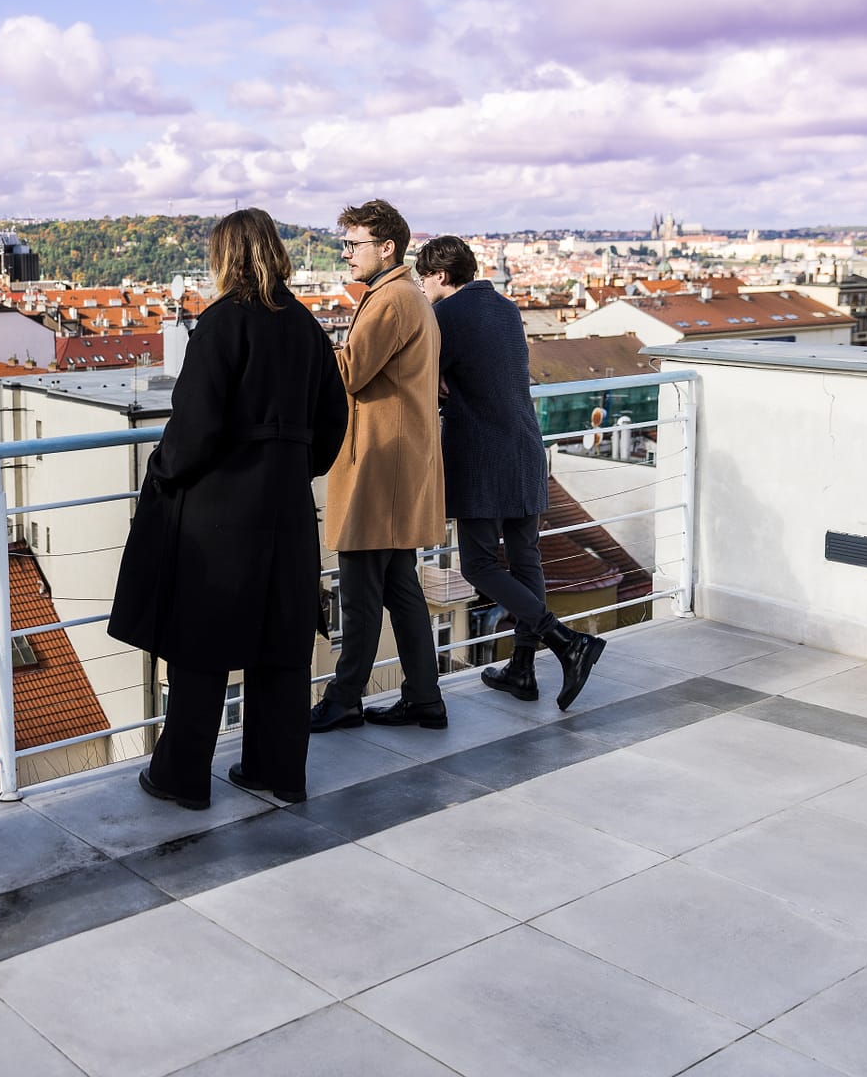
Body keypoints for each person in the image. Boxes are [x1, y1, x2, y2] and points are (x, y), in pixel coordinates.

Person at [110, 208, 348, 807]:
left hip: (220, 511)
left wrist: (161, 473)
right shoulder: (306, 326)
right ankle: (277, 771)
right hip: (287, 510)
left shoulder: (221, 324)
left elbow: (193, 429)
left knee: (201, 646)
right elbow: (332, 424)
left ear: (226, 257)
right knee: (283, 641)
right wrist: (292, 467)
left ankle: (181, 776)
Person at [417, 236, 605, 709]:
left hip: (482, 456)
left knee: (478, 565)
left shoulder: (445, 317)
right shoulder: (504, 307)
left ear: (440, 275)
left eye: (423, 278)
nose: (422, 287)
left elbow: (421, 379)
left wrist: (443, 388)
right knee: (526, 560)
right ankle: (522, 670)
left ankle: (566, 641)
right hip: (525, 446)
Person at [312, 199, 450, 732]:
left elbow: (346, 371)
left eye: (354, 243)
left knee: (362, 590)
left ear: (386, 247)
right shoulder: (404, 295)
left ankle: (345, 698)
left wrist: (304, 345)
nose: (346, 253)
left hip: (379, 462)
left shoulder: (390, 300)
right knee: (398, 587)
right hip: (397, 459)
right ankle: (425, 697)